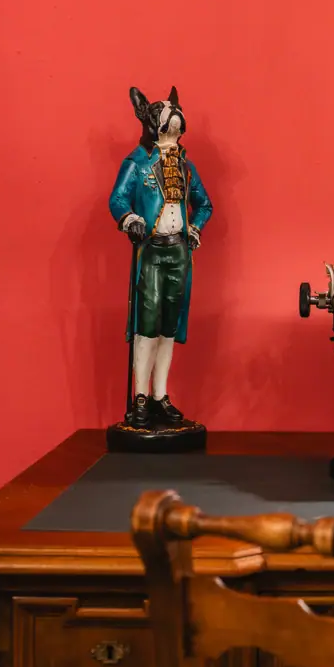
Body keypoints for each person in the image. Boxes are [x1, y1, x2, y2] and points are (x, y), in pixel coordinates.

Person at [108, 86, 213, 428]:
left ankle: (159, 396)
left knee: (169, 325)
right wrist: (131, 220)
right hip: (151, 249)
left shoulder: (185, 166)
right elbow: (118, 200)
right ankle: (140, 396)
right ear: (148, 121)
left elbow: (205, 204)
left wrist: (195, 227)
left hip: (179, 251)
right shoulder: (136, 163)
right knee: (147, 324)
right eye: (162, 112)